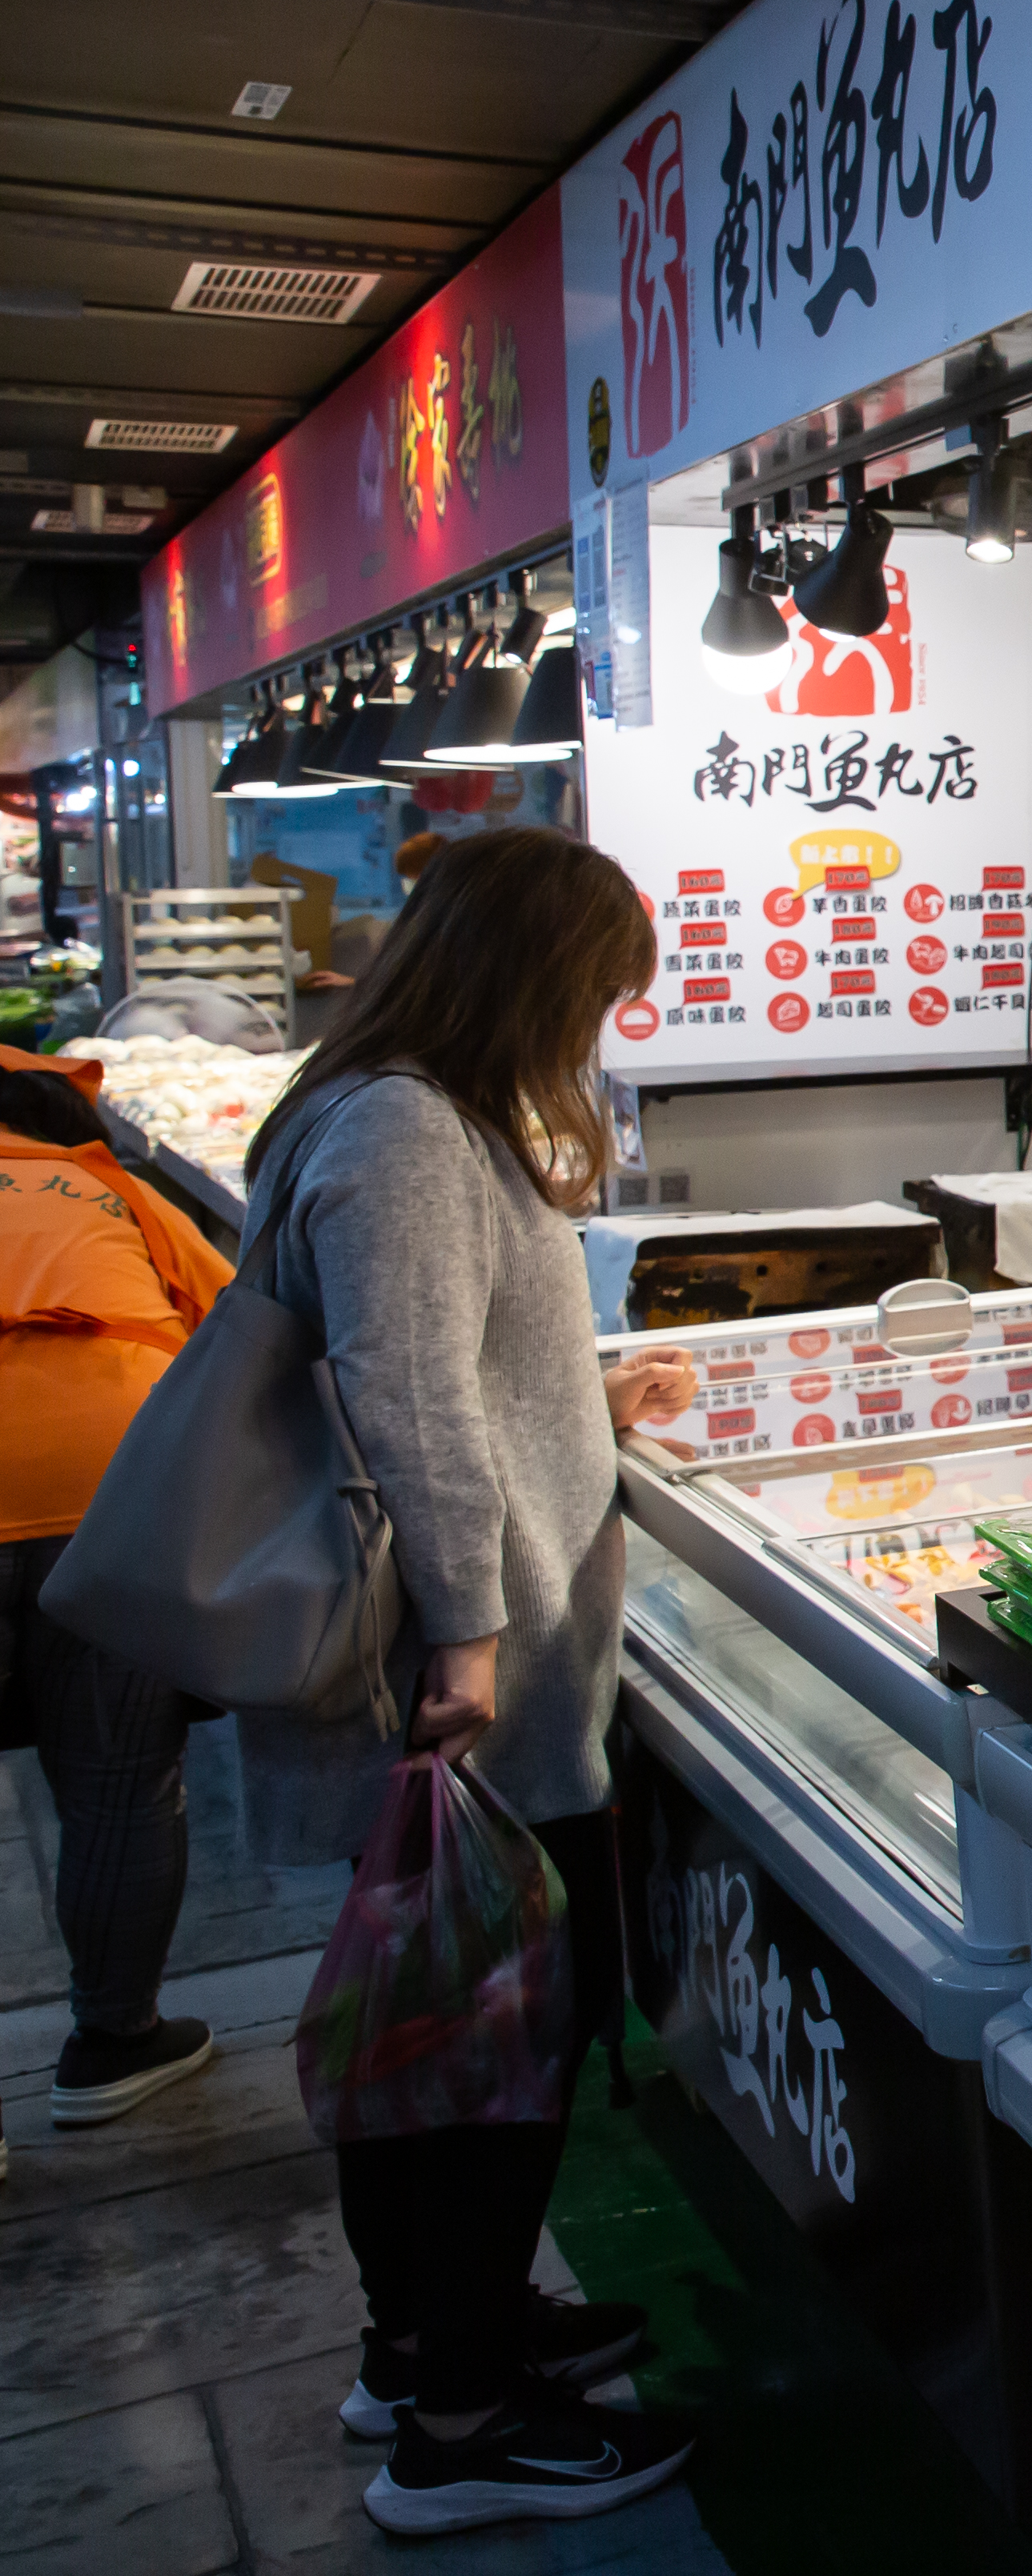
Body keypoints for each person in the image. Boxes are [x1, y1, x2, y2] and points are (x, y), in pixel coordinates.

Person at [227, 827, 700, 2533]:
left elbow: (468, 1368)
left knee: (424, 2031)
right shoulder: (410, 1132)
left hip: (461, 1669)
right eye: (595, 996)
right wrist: (476, 1632)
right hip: (453, 1693)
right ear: (533, 976)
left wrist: (590, 1400)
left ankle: (436, 2337)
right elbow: (409, 1395)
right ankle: (461, 2425)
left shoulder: (397, 1112)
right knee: (488, 2041)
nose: (596, 1034)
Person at [0, 1048, 239, 2147]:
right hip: (111, 1496)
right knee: (117, 1784)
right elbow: (240, 1330)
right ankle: (111, 2043)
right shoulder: (113, 1189)